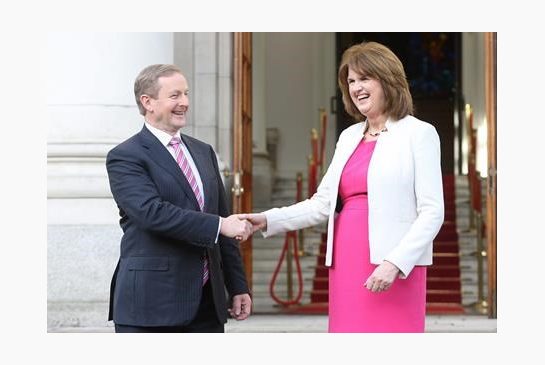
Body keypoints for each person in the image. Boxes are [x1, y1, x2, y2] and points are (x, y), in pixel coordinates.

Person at [243, 41, 444, 333]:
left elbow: (432, 211)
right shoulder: (349, 136)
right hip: (347, 257)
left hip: (395, 262)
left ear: (388, 80)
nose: (356, 87)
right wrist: (266, 219)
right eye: (351, 81)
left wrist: (395, 262)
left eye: (365, 78)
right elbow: (321, 203)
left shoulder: (419, 134)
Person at [106, 64, 252, 333]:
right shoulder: (125, 156)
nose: (184, 102)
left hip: (208, 306)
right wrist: (219, 225)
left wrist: (238, 286)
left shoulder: (203, 151)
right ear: (147, 102)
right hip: (151, 305)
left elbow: (223, 216)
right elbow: (152, 213)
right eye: (175, 95)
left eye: (186, 94)